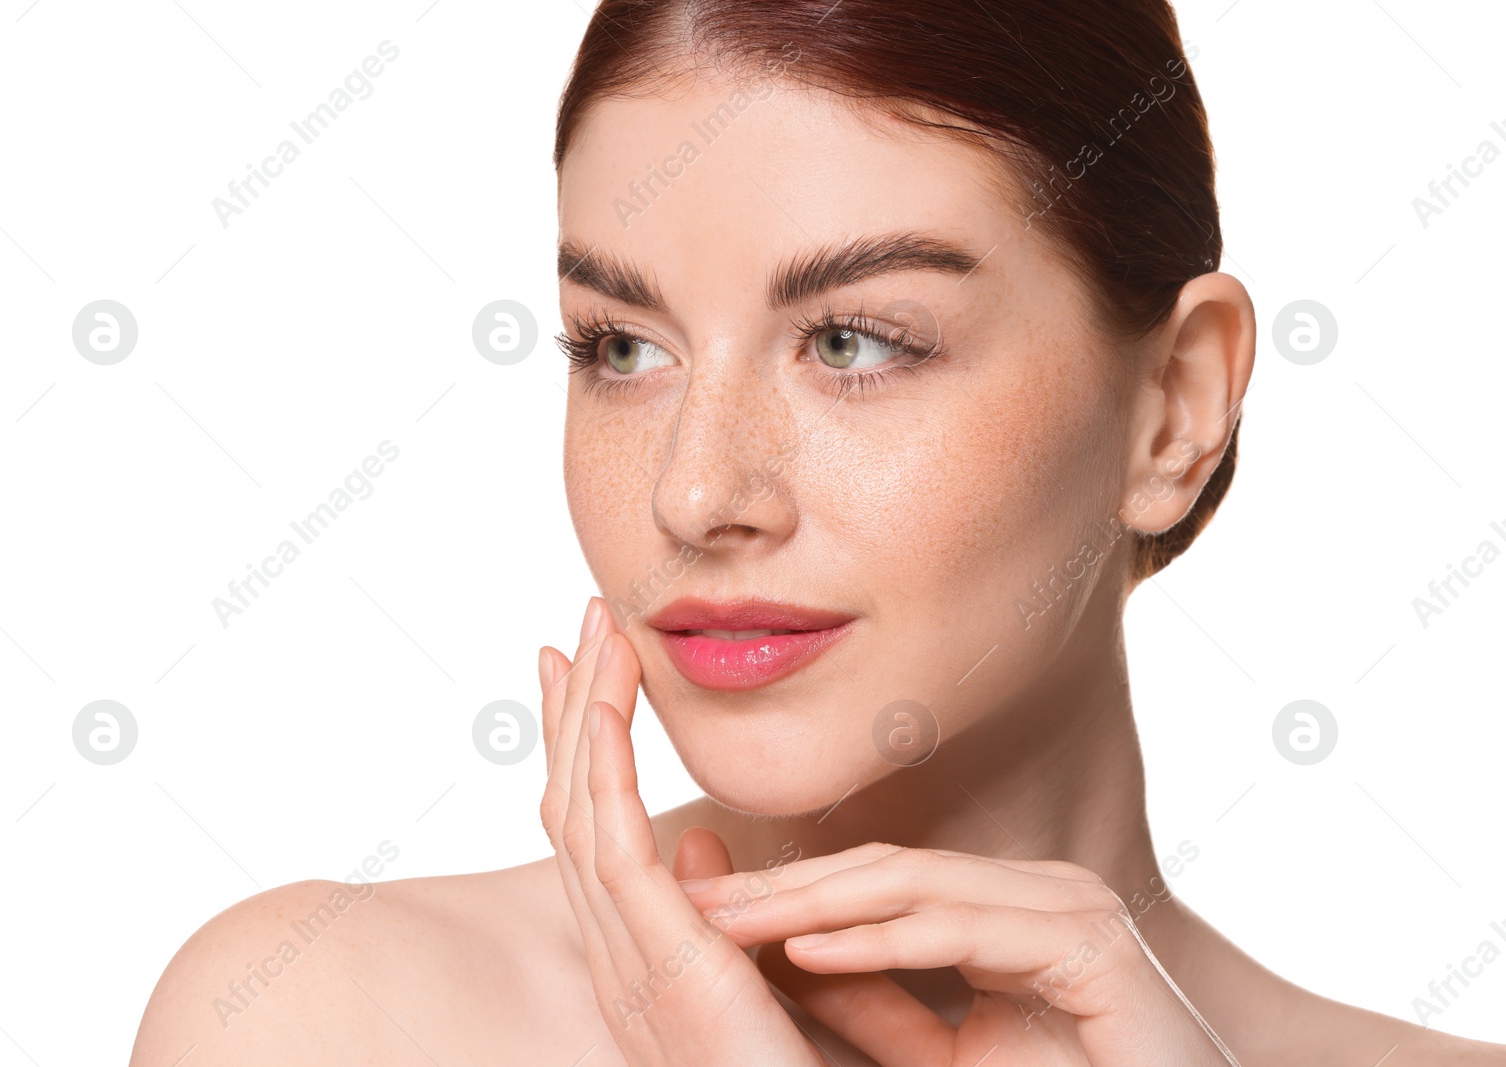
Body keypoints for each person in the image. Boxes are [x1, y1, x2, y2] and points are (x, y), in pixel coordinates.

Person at [129, 1, 1506, 1062]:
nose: (694, 493)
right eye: (620, 346)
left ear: (1174, 408)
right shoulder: (322, 1023)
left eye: (853, 341)